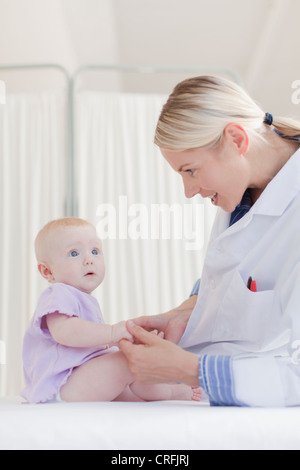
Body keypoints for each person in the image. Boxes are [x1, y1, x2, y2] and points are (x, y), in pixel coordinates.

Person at [120, 75, 300, 407]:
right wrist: (181, 313)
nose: (189, 192)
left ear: (235, 139)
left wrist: (194, 370)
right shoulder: (243, 193)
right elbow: (232, 282)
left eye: (190, 171)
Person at [22, 217, 202, 404]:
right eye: (74, 253)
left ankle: (164, 391)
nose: (89, 259)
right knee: (128, 362)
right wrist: (113, 332)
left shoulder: (83, 299)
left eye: (95, 251)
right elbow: (65, 332)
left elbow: (90, 346)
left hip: (80, 378)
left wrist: (128, 341)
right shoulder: (58, 293)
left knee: (134, 374)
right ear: (47, 271)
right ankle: (172, 392)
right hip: (62, 383)